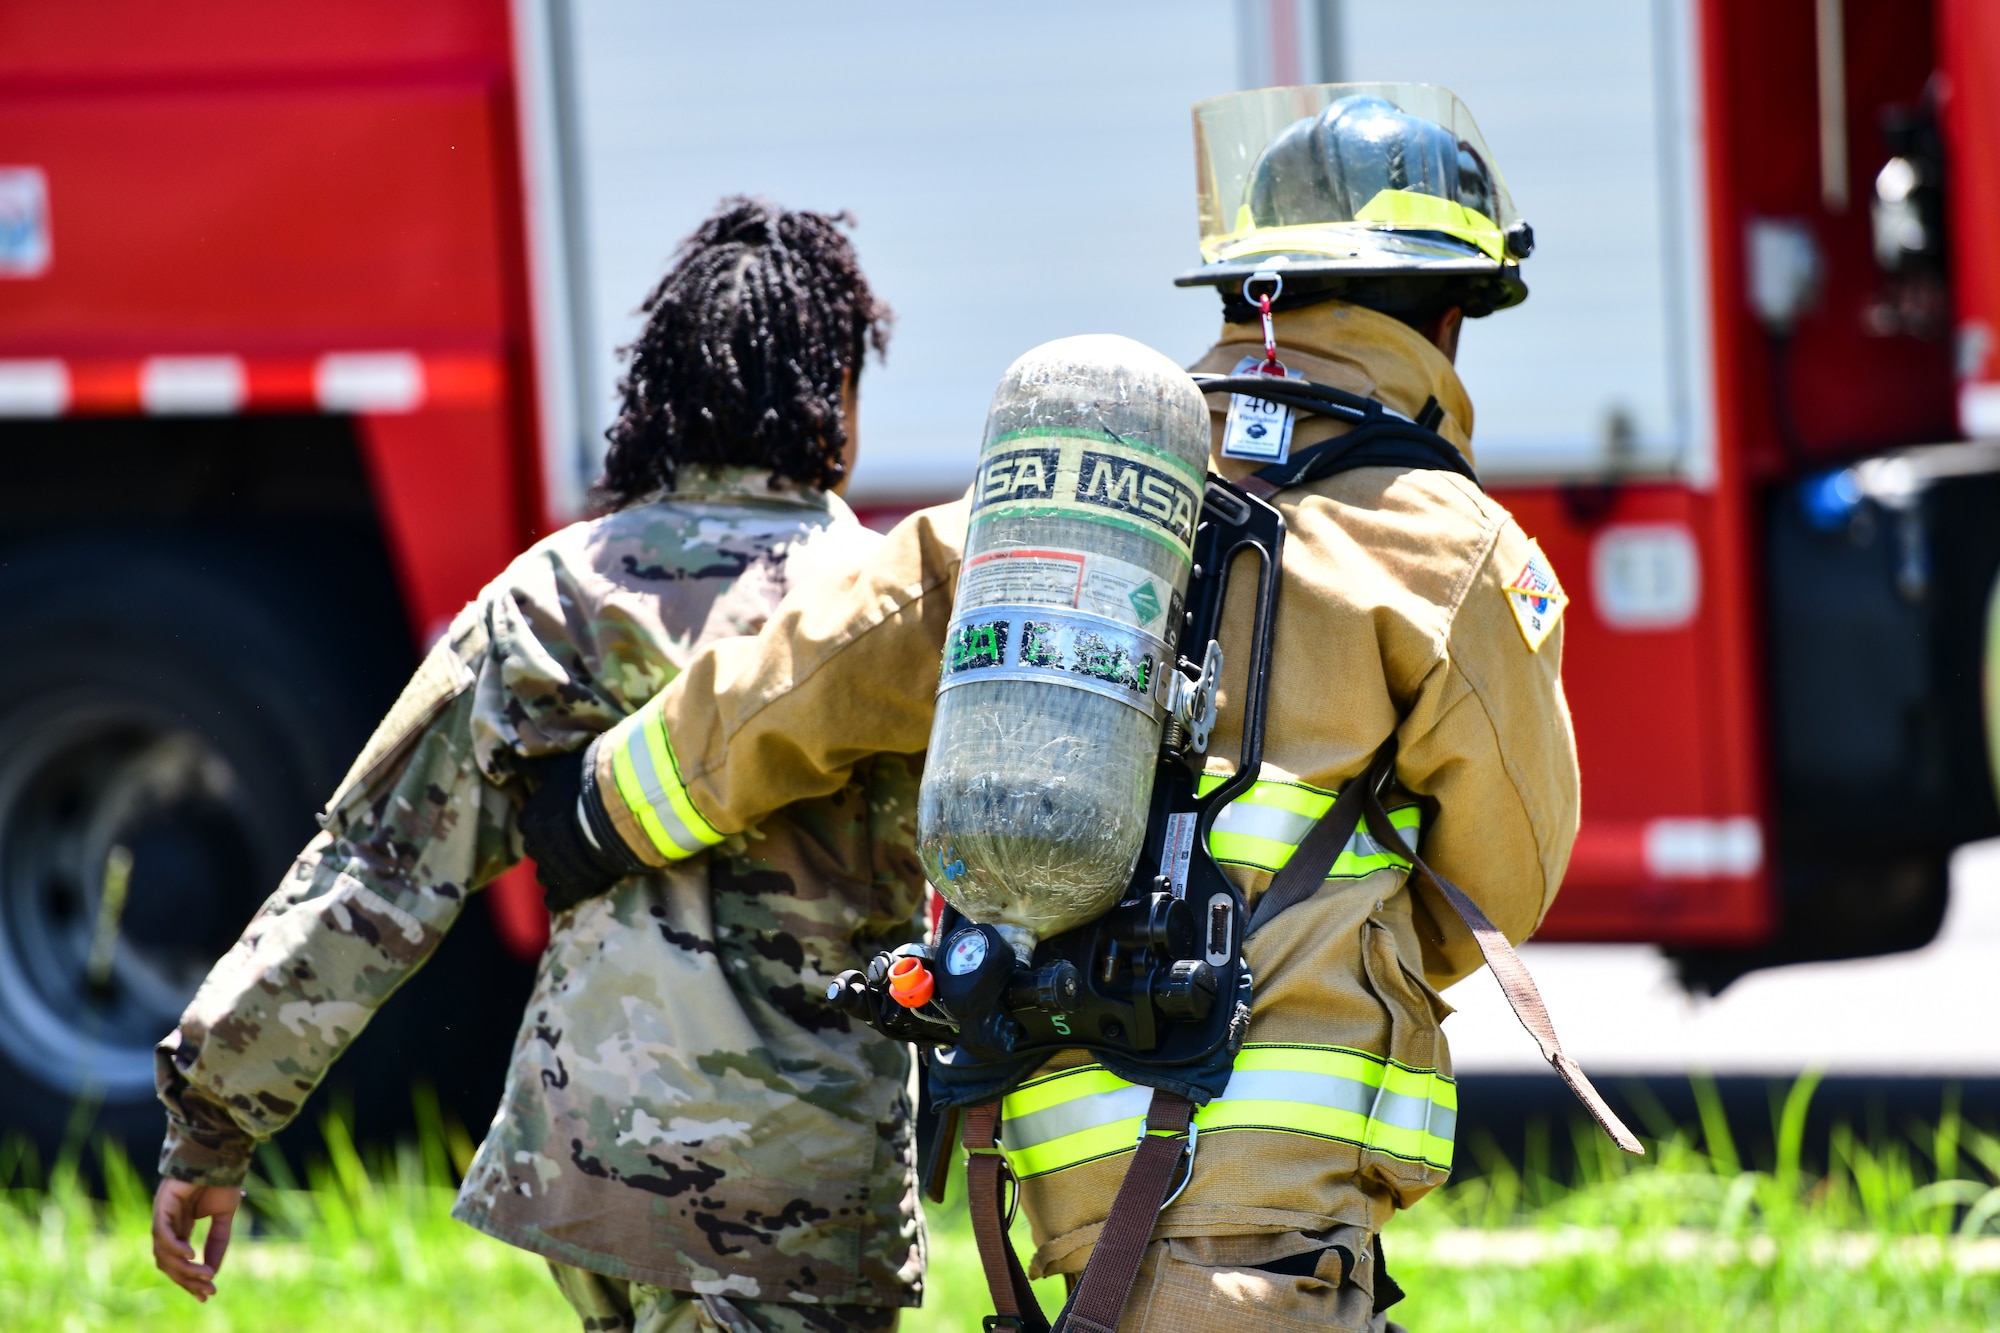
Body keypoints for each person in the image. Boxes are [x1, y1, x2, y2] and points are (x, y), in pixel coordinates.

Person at [533, 87, 1585, 1331]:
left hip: (1039, 1162)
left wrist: (601, 805)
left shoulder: (1067, 497)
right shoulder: (1447, 547)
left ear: (1248, 293)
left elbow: (813, 665)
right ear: (1450, 313)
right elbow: (1509, 865)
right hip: (1266, 1186)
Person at [149, 197, 929, 1333]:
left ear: (664, 386)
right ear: (835, 398)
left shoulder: (553, 598)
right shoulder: (888, 605)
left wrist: (214, 1120)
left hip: (599, 1174)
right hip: (800, 1197)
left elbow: (368, 880)